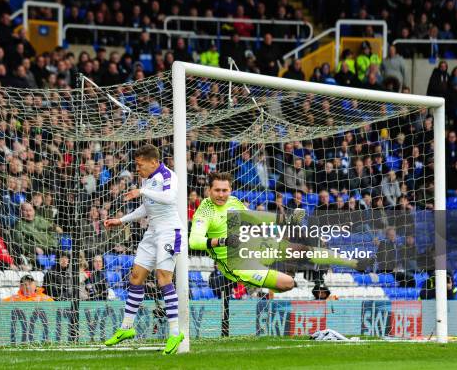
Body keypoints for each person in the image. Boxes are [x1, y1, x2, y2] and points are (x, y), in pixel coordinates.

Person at [188, 172, 373, 295]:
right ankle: (251, 283)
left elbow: (256, 216)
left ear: (230, 190)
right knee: (287, 284)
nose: (221, 194)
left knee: (303, 250)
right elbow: (195, 242)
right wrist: (223, 240)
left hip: (253, 245)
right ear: (209, 191)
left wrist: (283, 220)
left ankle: (355, 263)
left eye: (225, 190)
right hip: (237, 263)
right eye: (217, 190)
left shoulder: (233, 202)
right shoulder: (204, 212)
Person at [103, 144, 185, 354]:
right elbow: (147, 207)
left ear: (153, 162)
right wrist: (121, 220)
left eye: (140, 165)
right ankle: (126, 328)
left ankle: (175, 333)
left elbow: (169, 198)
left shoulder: (168, 176)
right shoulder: (147, 180)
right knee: (136, 276)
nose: (137, 169)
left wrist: (142, 190)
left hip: (169, 231)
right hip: (152, 232)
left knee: (163, 278)